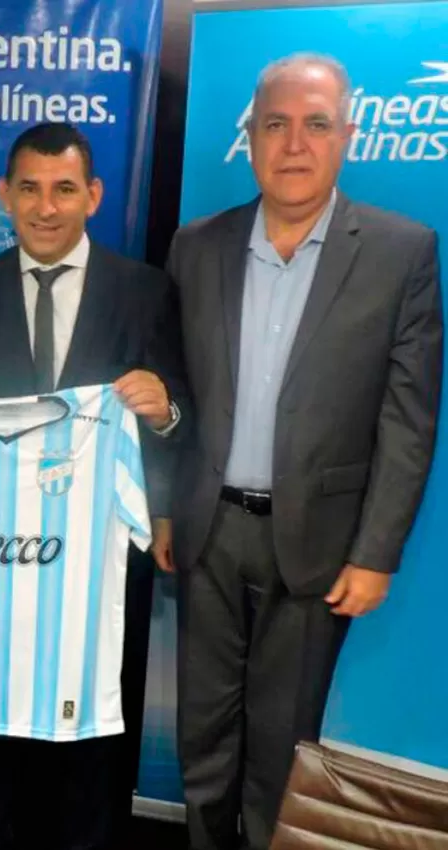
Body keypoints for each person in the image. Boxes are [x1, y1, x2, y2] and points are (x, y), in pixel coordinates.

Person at [165, 54, 441, 850]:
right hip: (208, 534)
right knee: (203, 737)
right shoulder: (196, 247)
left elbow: (408, 418)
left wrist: (376, 552)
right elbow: (173, 390)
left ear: (347, 136)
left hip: (319, 547)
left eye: (316, 124)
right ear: (249, 138)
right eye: (275, 124)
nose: (294, 144)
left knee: (283, 742)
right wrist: (160, 507)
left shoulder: (401, 253)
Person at [0, 121, 189, 850]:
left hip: (96, 574)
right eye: (29, 188)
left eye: (64, 189)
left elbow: (180, 419)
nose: (46, 207)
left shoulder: (146, 290)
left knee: (90, 749)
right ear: (5, 195)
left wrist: (166, 410)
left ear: (93, 195)